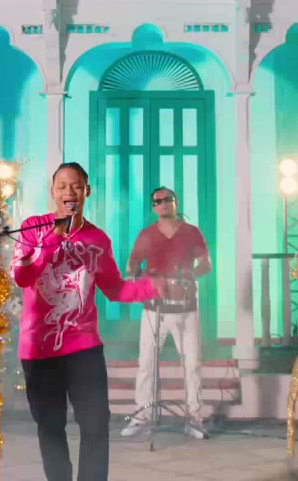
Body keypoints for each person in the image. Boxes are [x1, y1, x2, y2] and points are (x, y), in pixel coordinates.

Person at [11, 162, 164, 481]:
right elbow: (22, 277)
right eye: (62, 186)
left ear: (87, 191)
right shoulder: (32, 228)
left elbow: (115, 289)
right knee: (50, 426)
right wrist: (53, 237)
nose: (70, 192)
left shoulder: (98, 239)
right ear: (53, 192)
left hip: (83, 348)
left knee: (96, 425)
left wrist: (155, 287)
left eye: (77, 186)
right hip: (39, 349)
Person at [120, 186, 212, 440]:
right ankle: (142, 416)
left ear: (175, 202)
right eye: (157, 201)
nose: (162, 203)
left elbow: (206, 264)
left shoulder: (191, 232)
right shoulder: (146, 234)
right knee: (146, 363)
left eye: (166, 199)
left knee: (192, 364)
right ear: (153, 208)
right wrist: (147, 278)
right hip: (154, 308)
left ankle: (194, 419)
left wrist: (190, 274)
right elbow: (131, 266)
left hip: (186, 308)